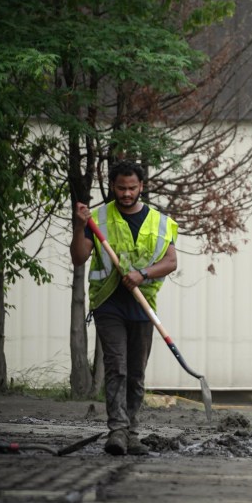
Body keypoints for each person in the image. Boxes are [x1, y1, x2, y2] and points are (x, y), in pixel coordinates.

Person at [71, 160, 178, 456]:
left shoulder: (159, 222)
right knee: (116, 367)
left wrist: (142, 274)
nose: (127, 193)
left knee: (136, 374)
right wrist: (80, 226)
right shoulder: (98, 218)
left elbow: (171, 262)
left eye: (132, 188)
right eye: (121, 188)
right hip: (109, 304)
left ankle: (132, 432)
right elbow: (79, 258)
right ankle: (117, 431)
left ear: (141, 186)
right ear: (112, 186)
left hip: (143, 307)